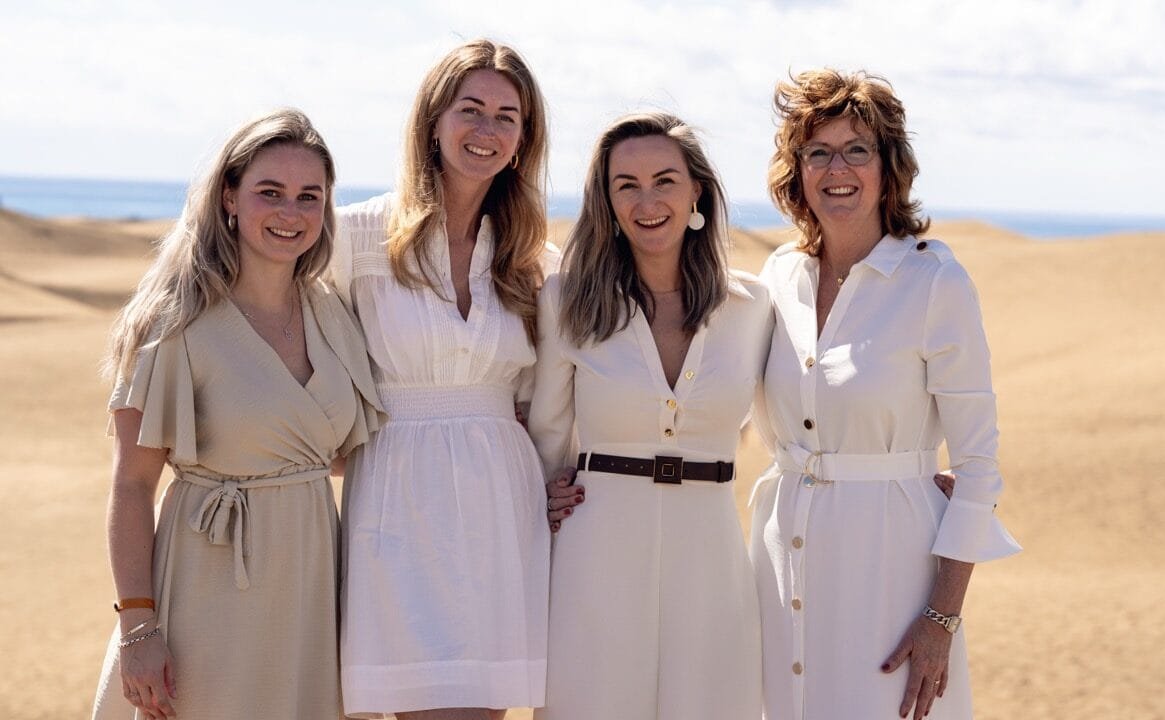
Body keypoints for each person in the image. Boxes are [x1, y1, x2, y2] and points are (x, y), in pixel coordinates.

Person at [91, 108, 384, 720]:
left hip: (311, 581)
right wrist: (138, 626)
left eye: (310, 196)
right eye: (269, 192)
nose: (291, 213)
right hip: (207, 577)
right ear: (229, 197)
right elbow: (132, 483)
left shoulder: (332, 314)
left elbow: (335, 453)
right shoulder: (175, 321)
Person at [748, 69, 1022, 720]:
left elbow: (979, 470)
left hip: (891, 575)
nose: (836, 168)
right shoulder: (779, 275)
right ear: (796, 171)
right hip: (781, 562)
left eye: (857, 150)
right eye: (818, 151)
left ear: (888, 166)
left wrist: (940, 619)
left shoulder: (933, 280)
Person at [328, 39, 552, 720]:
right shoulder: (353, 236)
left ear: (522, 140)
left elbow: (556, 388)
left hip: (503, 506)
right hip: (396, 497)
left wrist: (567, 471)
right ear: (433, 120)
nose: (486, 130)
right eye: (471, 109)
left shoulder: (535, 256)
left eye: (506, 117)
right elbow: (295, 340)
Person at [530, 112, 771, 720]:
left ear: (697, 192)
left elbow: (801, 420)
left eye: (665, 180)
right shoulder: (566, 301)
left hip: (712, 555)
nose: (647, 201)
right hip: (595, 553)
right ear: (607, 202)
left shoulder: (752, 307)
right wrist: (542, 492)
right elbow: (547, 435)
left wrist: (916, 468)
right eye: (626, 185)